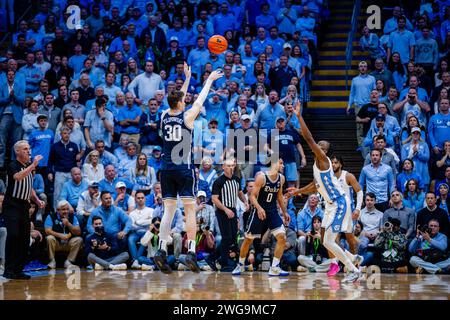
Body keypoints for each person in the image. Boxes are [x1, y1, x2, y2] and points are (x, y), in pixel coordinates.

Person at [154, 63, 223, 274]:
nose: (186, 100)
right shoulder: (188, 117)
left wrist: (186, 79)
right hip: (184, 169)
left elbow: (177, 98)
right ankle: (192, 251)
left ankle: (160, 250)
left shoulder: (165, 115)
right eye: (184, 99)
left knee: (169, 211)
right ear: (181, 102)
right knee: (190, 209)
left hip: (166, 169)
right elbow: (200, 99)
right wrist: (209, 80)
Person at [287, 102, 363, 282]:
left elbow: (308, 138)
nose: (318, 148)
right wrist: (296, 191)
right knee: (325, 239)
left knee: (329, 241)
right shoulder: (317, 166)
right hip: (330, 205)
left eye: (322, 147)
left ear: (325, 150)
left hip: (339, 203)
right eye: (318, 146)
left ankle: (353, 269)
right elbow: (315, 186)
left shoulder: (323, 160)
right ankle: (353, 258)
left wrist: (299, 116)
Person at [233, 158, 290, 276]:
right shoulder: (261, 177)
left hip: (272, 212)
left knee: (282, 237)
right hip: (259, 211)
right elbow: (252, 196)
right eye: (280, 162)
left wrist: (285, 213)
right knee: (248, 239)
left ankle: (274, 267)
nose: (283, 165)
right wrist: (259, 208)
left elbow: (279, 197)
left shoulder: (281, 178)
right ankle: (240, 264)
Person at [2, 141, 45, 279]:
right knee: (13, 235)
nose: (29, 151)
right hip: (12, 205)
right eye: (25, 149)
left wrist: (37, 201)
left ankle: (18, 269)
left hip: (24, 206)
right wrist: (33, 165)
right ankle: (8, 269)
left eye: (29, 148)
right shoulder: (13, 165)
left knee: (24, 237)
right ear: (18, 152)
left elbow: (29, 186)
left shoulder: (29, 167)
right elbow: (18, 177)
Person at [212, 158, 249, 272]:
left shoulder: (237, 180)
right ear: (223, 167)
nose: (231, 168)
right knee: (226, 237)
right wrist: (225, 209)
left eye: (232, 166)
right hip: (222, 211)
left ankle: (211, 258)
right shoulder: (218, 181)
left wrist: (245, 202)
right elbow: (214, 199)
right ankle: (224, 263)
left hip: (232, 209)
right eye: (228, 166)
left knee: (233, 237)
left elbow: (240, 193)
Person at [331, 155, 364, 255]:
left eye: (336, 162)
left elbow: (359, 192)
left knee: (350, 239)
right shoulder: (329, 177)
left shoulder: (348, 176)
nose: (333, 164)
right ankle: (345, 260)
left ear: (340, 164)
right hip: (335, 211)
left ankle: (355, 263)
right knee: (333, 240)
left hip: (348, 211)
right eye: (332, 162)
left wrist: (358, 209)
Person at [44, 200, 83, 269]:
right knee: (49, 238)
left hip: (69, 243)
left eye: (67, 209)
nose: (66, 211)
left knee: (79, 239)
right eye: (63, 209)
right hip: (57, 243)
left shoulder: (72, 217)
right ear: (58, 210)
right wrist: (60, 235)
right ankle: (52, 261)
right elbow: (47, 231)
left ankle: (69, 261)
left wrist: (68, 224)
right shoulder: (51, 216)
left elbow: (78, 231)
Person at [128, 190, 154, 270]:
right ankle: (136, 260)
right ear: (135, 199)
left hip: (147, 232)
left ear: (145, 199)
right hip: (136, 232)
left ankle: (136, 261)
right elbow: (132, 226)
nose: (140, 199)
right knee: (130, 239)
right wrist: (145, 223)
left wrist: (138, 222)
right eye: (138, 198)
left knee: (146, 237)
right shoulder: (132, 213)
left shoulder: (151, 210)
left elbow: (152, 222)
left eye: (142, 198)